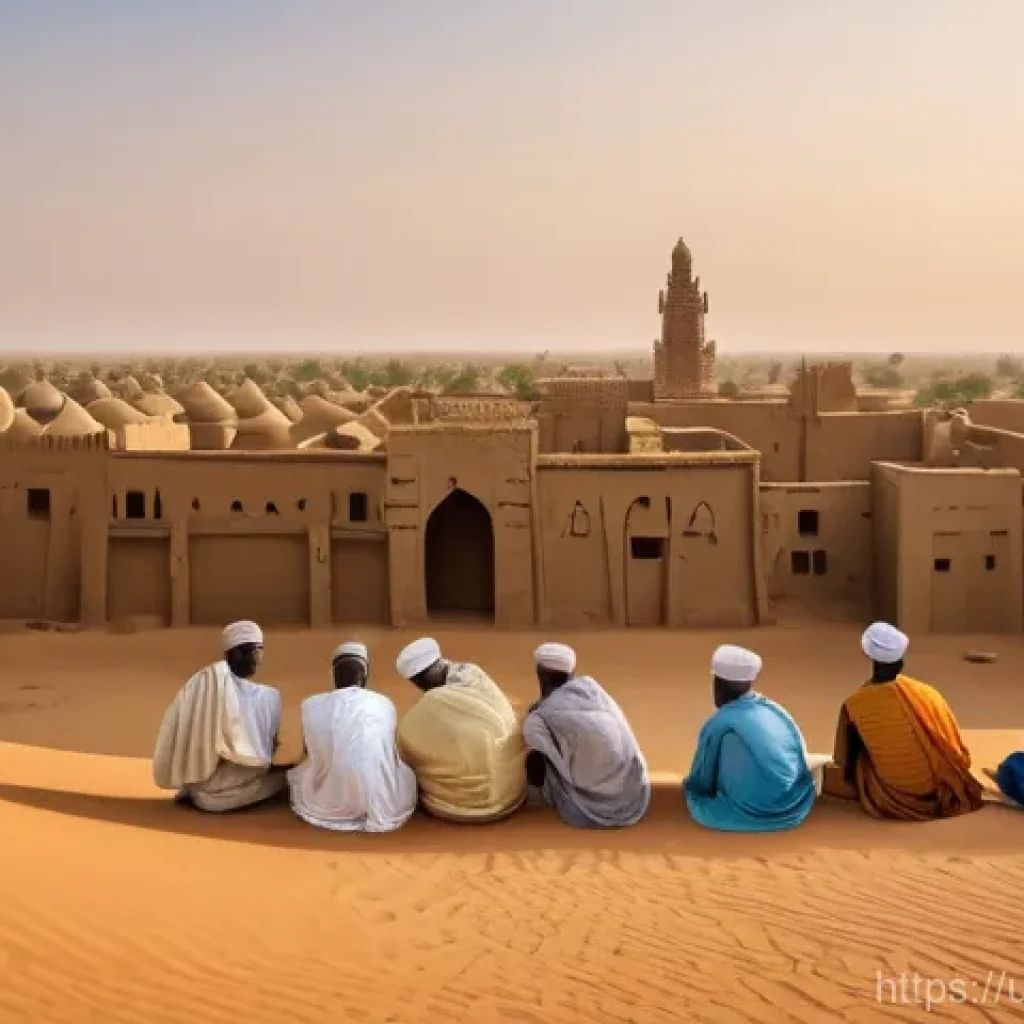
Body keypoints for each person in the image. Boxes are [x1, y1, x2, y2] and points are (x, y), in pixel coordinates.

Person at [822, 622, 983, 820]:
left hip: (895, 794)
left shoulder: (854, 705)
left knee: (826, 776)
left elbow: (844, 763)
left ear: (870, 656)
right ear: (901, 661)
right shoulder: (927, 693)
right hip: (943, 783)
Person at [153, 620, 286, 812]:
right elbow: (269, 750)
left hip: (195, 782)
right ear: (235, 653)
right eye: (255, 651)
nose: (258, 658)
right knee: (291, 778)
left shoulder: (202, 681)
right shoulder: (215, 679)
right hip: (222, 786)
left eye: (260, 651)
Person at [684, 644, 816, 832]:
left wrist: (692, 790)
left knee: (731, 741)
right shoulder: (775, 710)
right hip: (792, 807)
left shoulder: (720, 720)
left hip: (745, 814)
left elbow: (702, 777)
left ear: (719, 684)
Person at [287, 642, 416, 833]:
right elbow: (390, 753)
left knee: (296, 775)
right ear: (365, 675)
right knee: (407, 774)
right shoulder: (384, 704)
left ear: (334, 676)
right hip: (383, 802)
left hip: (329, 802)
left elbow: (308, 753)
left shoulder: (311, 704)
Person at [395, 637, 527, 822]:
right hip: (510, 793)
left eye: (420, 680)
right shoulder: (474, 675)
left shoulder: (431, 704)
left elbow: (405, 743)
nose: (421, 686)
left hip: (459, 807)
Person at [522, 642, 650, 828]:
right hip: (634, 799)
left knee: (534, 756)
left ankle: (536, 801)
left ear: (541, 676)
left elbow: (543, 747)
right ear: (571, 674)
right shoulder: (597, 692)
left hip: (590, 811)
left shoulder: (539, 718)